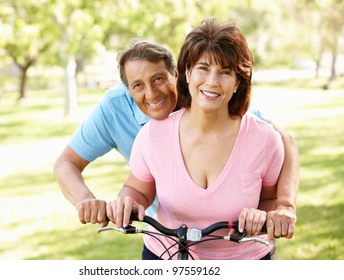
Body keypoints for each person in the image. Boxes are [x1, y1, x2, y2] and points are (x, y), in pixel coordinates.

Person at [53, 39, 298, 243]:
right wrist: (86, 201)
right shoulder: (116, 108)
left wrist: (284, 206)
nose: (151, 93)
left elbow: (284, 141)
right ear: (127, 89)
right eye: (138, 85)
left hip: (229, 236)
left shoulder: (208, 98)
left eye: (159, 79)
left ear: (178, 74)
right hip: (165, 233)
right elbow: (66, 163)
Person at [106, 18, 288, 260]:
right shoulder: (153, 135)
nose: (212, 82)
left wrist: (265, 215)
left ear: (237, 82)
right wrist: (128, 203)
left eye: (224, 72)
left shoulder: (263, 139)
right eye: (203, 68)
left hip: (246, 261)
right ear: (187, 72)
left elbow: (271, 199)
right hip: (165, 256)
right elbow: (137, 190)